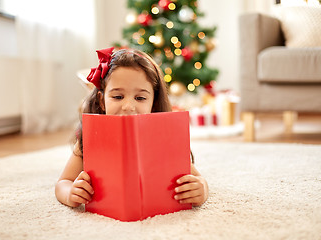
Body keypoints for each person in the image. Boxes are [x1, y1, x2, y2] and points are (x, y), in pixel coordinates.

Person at [55, 47, 209, 208]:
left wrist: (201, 189)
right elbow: (63, 182)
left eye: (140, 98)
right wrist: (70, 194)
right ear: (102, 101)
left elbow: (200, 179)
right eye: (118, 97)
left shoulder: (163, 138)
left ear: (153, 104)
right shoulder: (90, 139)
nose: (128, 106)